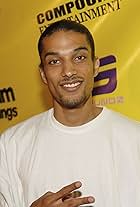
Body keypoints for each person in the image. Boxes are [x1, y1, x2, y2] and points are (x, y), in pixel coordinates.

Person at [0, 20, 140, 207]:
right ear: (43, 74)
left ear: (96, 65)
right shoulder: (11, 144)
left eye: (79, 57)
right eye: (55, 61)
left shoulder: (135, 138)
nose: (68, 71)